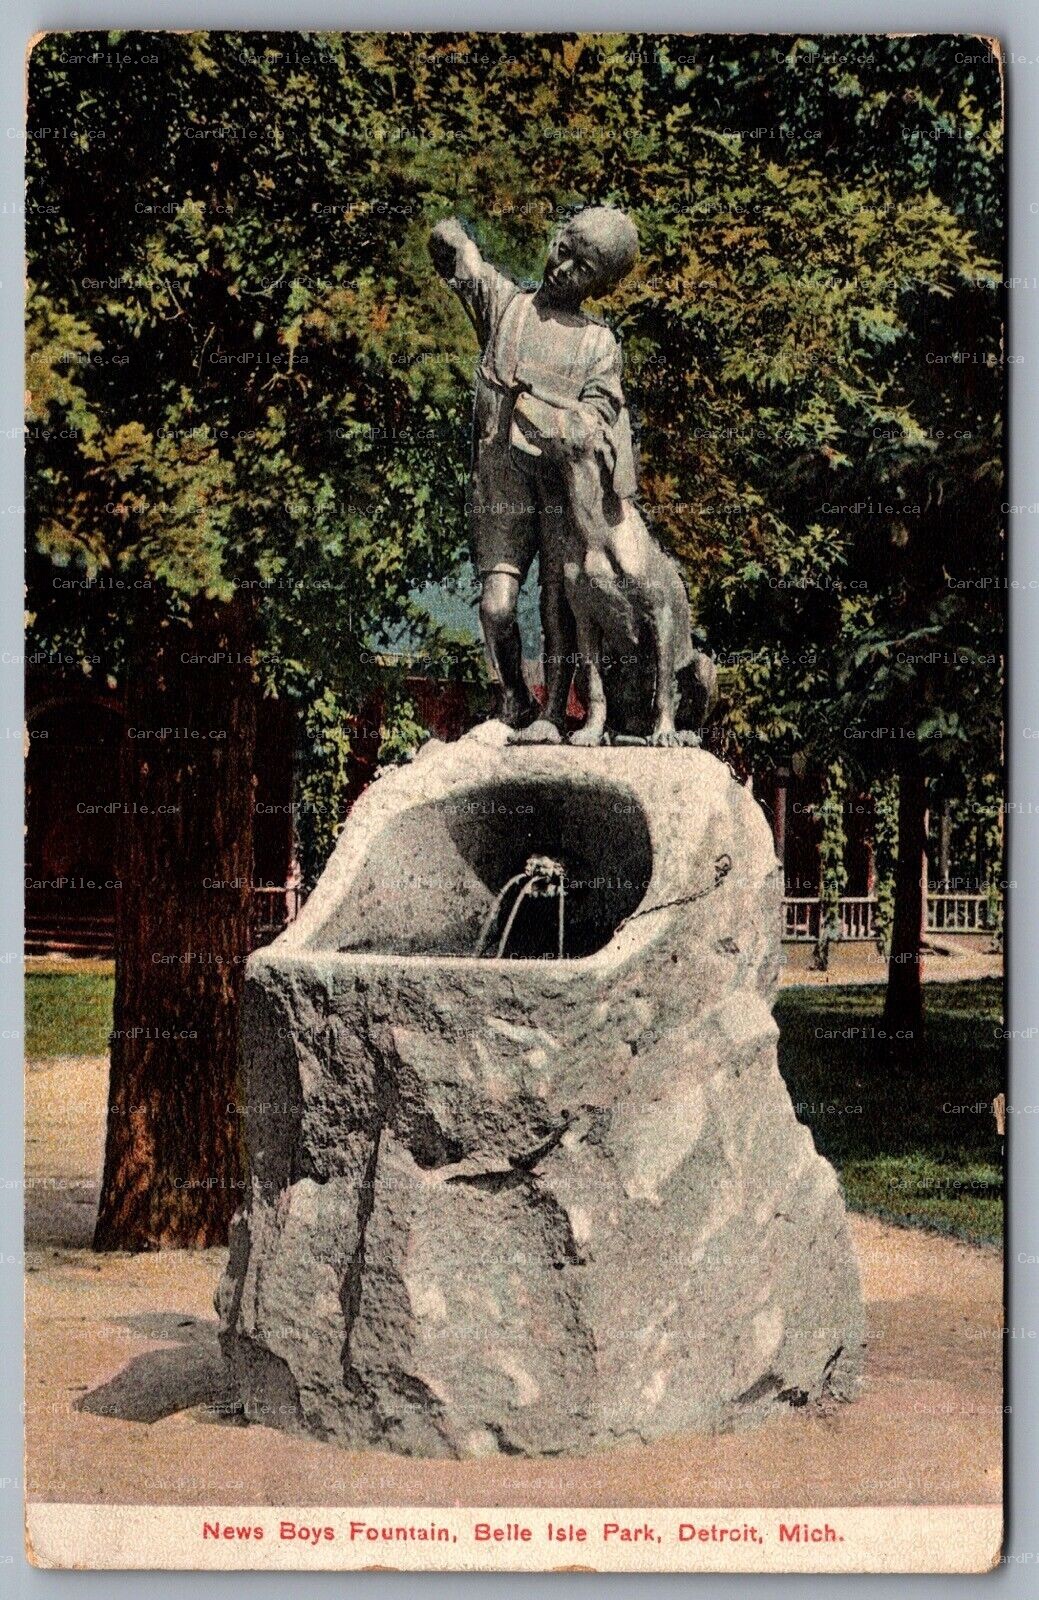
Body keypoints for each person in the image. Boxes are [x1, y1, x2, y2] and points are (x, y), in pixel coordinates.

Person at [429, 206, 639, 736]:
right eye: (563, 249)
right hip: (500, 482)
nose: (564, 268)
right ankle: (514, 697)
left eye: (583, 267)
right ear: (556, 236)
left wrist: (549, 413)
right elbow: (453, 254)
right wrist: (452, 239)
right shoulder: (508, 307)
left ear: (601, 284)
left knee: (560, 608)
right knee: (497, 608)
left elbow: (599, 418)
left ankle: (553, 713)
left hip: (563, 489)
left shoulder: (598, 344)